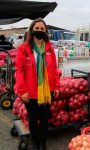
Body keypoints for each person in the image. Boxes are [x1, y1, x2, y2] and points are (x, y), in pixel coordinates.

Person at [15, 18, 60, 150]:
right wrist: (22, 90)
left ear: (45, 31)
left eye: (42, 29)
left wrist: (56, 86)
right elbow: (19, 70)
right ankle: (36, 142)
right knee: (33, 120)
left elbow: (54, 68)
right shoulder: (24, 48)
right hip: (30, 92)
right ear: (32, 30)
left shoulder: (49, 47)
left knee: (45, 119)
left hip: (47, 90)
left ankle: (43, 143)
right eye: (37, 28)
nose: (39, 30)